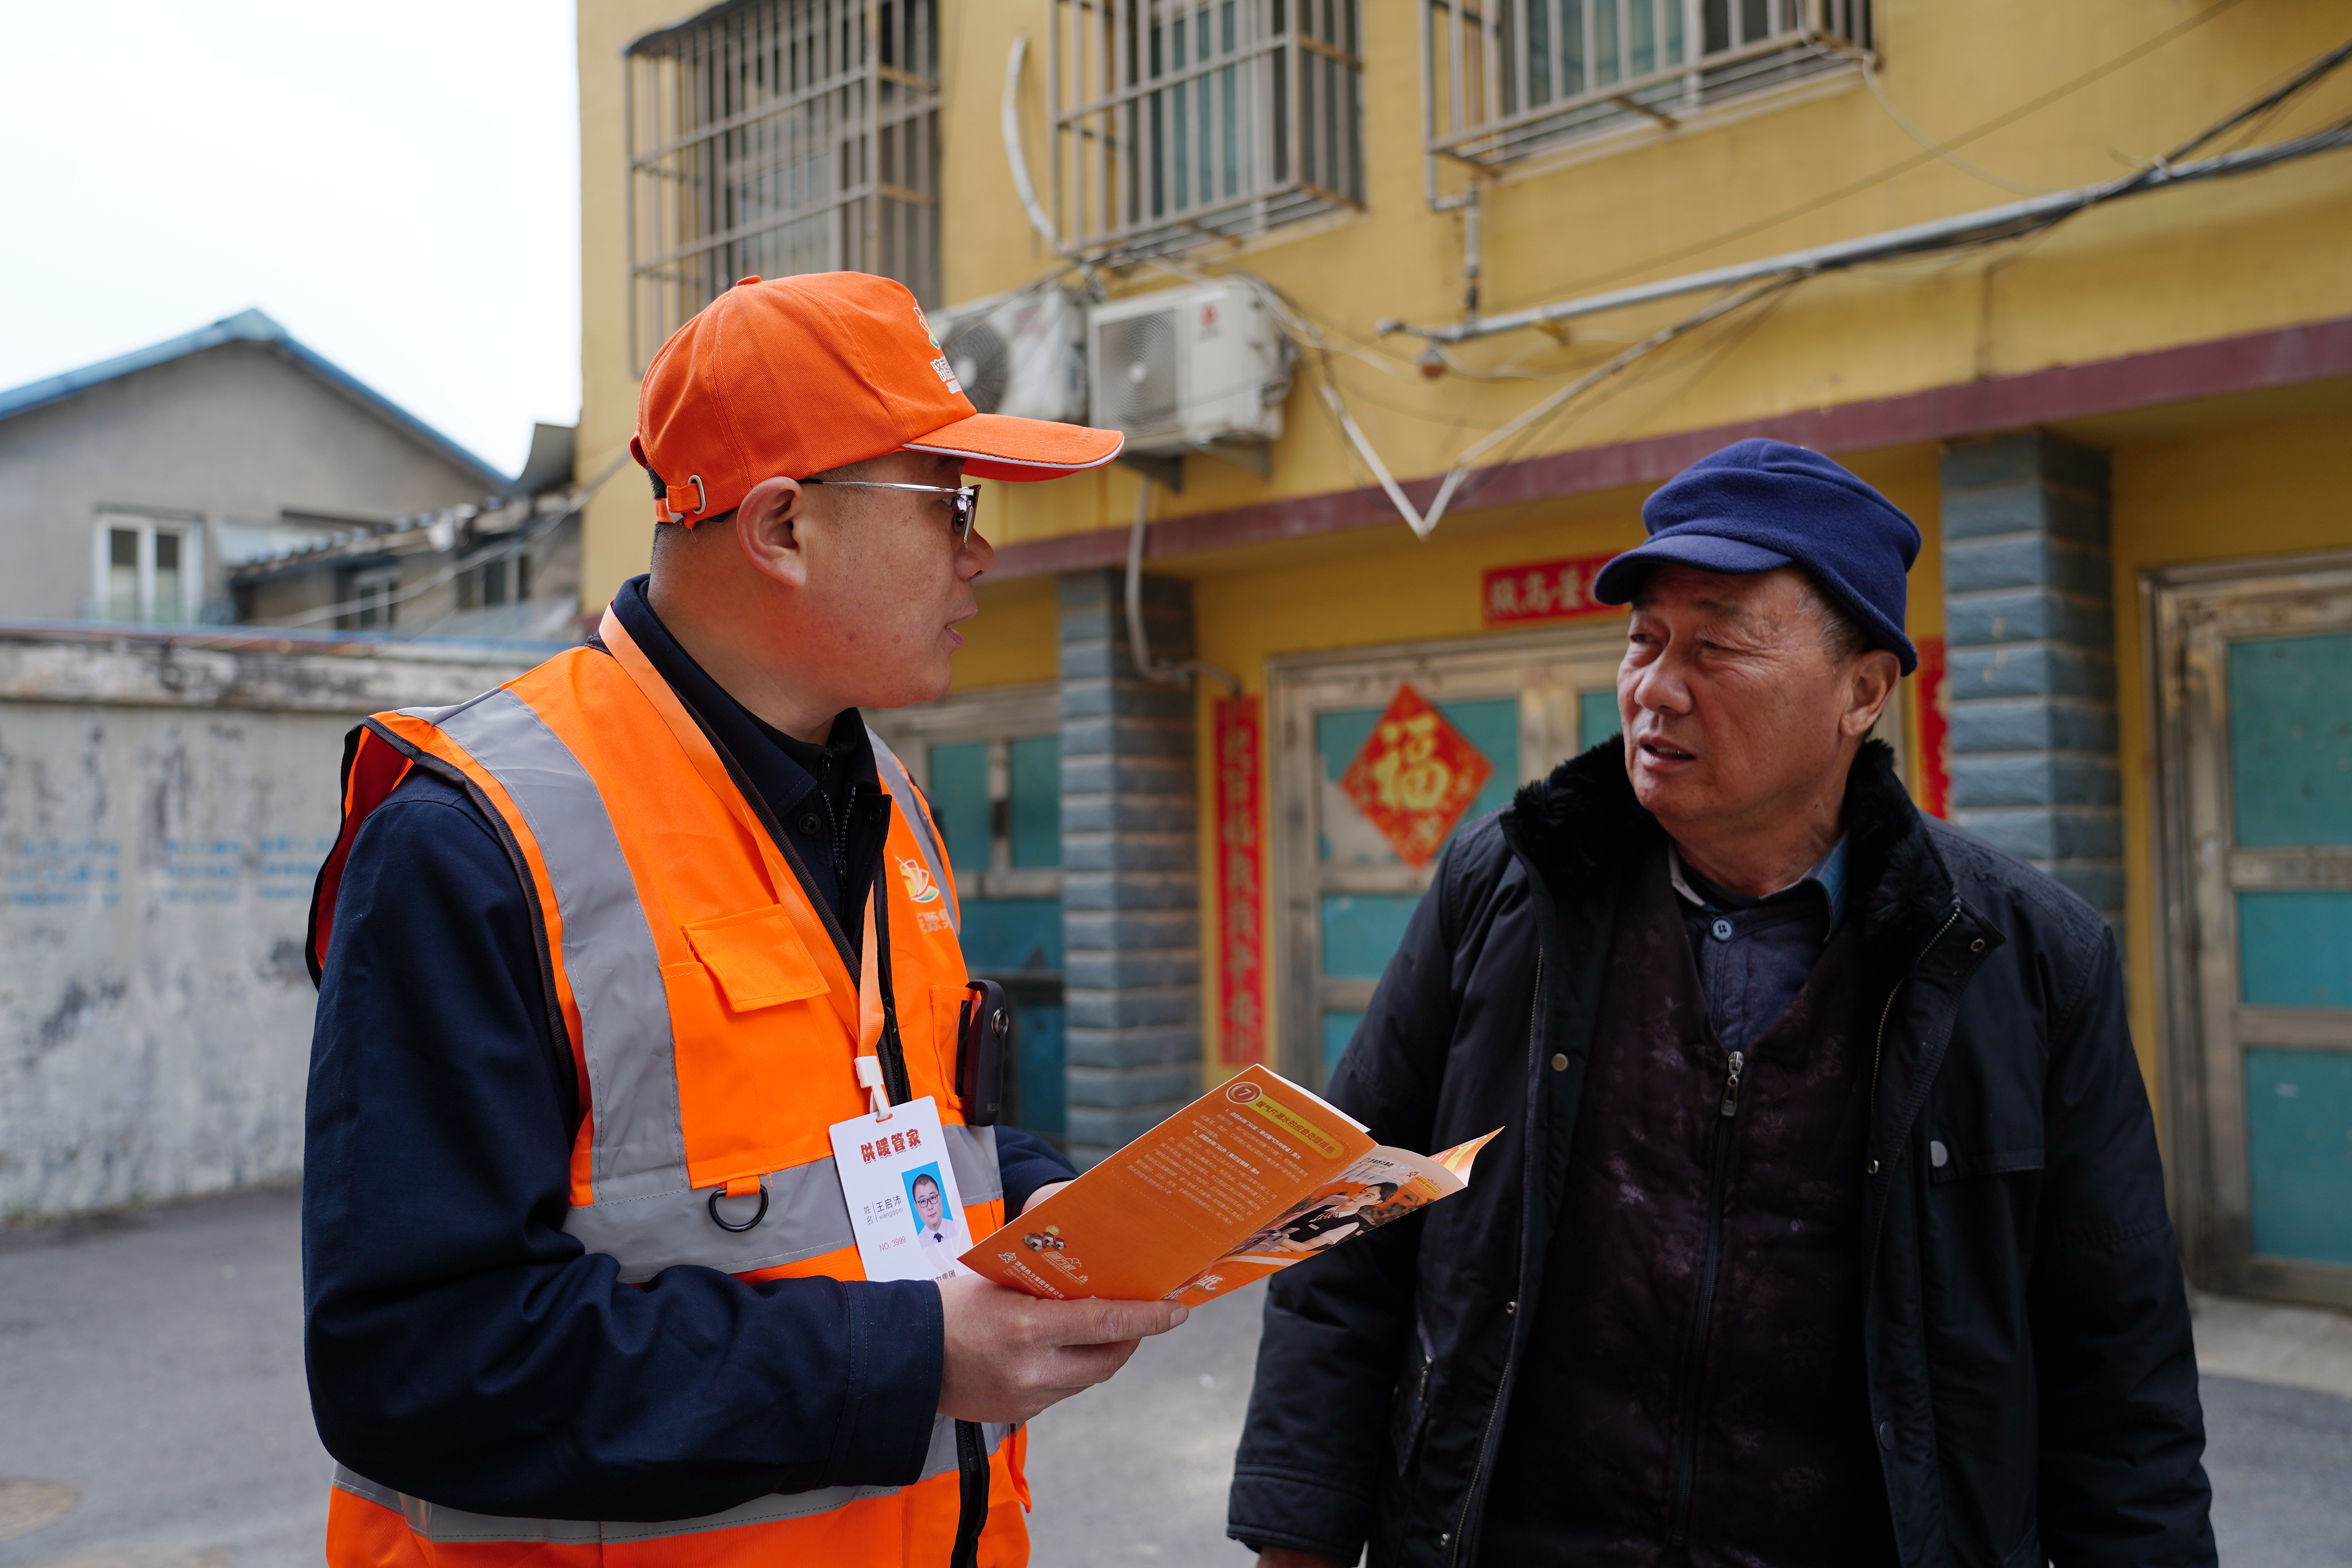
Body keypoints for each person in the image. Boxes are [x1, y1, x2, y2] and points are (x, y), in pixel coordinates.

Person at [303, 272, 1186, 1568]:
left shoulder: (884, 801)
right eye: (951, 502)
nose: (979, 551)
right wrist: (910, 1355)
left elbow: (895, 1134)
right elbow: (421, 1361)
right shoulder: (471, 840)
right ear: (781, 528)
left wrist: (1054, 1201)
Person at [1228, 439, 2214, 1568]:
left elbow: (2116, 1375)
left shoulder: (2020, 958)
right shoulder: (1507, 890)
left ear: (1861, 691)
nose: (1655, 685)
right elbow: (1345, 1223)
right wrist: (1295, 1540)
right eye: (1642, 639)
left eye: (1716, 645)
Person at [912, 1171, 968, 1276]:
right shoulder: (919, 1243)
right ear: (916, 1207)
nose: (930, 1207)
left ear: (940, 1197)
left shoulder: (960, 1228)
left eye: (933, 1198)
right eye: (923, 1201)